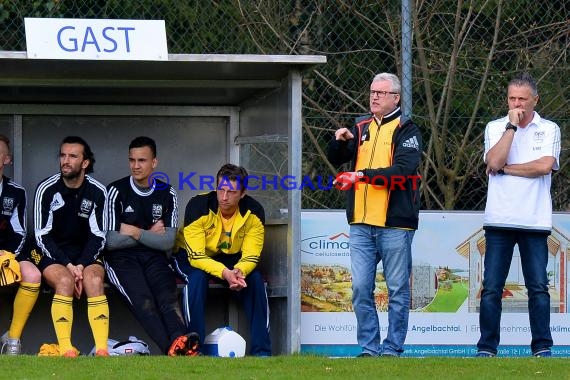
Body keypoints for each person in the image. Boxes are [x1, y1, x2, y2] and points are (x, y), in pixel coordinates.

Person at [327, 73, 422, 357]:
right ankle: (369, 348)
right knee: (359, 288)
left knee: (396, 290)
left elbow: (403, 172)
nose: (375, 97)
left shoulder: (408, 129)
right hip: (360, 222)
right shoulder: (360, 125)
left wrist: (361, 176)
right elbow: (336, 158)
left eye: (381, 92)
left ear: (396, 97)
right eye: (372, 92)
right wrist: (340, 141)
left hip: (395, 224)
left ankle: (392, 348)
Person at [476, 72, 561, 358]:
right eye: (512, 98)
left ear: (535, 100)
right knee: (491, 288)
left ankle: (542, 346)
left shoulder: (549, 128)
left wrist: (507, 170)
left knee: (538, 287)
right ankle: (487, 347)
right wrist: (510, 128)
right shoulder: (495, 127)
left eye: (522, 99)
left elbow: (544, 166)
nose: (517, 104)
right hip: (499, 220)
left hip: (535, 221)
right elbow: (495, 160)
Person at [104, 136, 196, 356]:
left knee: (167, 298)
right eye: (132, 160)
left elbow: (167, 241)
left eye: (142, 160)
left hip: (155, 257)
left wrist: (134, 231)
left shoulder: (167, 193)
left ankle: (179, 341)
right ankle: (174, 348)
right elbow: (111, 241)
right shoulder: (116, 191)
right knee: (144, 302)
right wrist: (149, 233)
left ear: (154, 162)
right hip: (121, 260)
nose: (136, 166)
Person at [172, 163, 272, 356]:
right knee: (196, 279)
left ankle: (262, 352)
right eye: (221, 189)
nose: (224, 197)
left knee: (255, 280)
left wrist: (239, 272)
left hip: (231, 259)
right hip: (190, 256)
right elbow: (196, 257)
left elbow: (252, 255)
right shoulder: (198, 206)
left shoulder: (254, 212)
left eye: (232, 192)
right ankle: (195, 349)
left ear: (242, 193)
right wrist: (225, 273)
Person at [33, 136, 109, 357]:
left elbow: (98, 236)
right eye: (63, 155)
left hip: (84, 253)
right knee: (65, 281)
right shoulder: (46, 189)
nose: (65, 160)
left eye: (73, 156)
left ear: (85, 163)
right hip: (51, 252)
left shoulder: (97, 192)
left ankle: (102, 351)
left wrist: (81, 265)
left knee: (94, 279)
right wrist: (69, 265)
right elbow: (42, 235)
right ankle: (67, 350)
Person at [0, 135, 41, 355]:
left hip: (8, 254)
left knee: (32, 275)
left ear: (7, 159)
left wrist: (7, 255)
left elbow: (19, 231)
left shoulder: (16, 192)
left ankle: (12, 338)